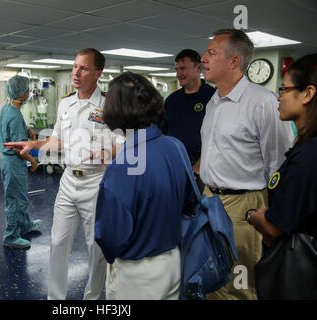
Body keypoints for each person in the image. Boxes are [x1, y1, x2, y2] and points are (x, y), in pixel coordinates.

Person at [4, 48, 124, 300]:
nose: (76, 73)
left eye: (84, 68)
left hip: (96, 181)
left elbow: (122, 144)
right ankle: (55, 298)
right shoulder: (66, 103)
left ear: (98, 73)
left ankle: (91, 298)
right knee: (57, 242)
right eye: (74, 67)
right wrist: (34, 146)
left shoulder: (110, 105)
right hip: (69, 181)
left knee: (95, 247)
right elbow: (58, 140)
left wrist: (104, 150)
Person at [199, 29, 294, 300]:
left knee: (239, 286)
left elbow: (279, 166)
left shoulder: (263, 104)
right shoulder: (213, 101)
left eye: (212, 53)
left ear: (234, 61)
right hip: (209, 200)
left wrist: (273, 219)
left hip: (244, 205)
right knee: (213, 277)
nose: (203, 58)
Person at [94, 71, 193, 300]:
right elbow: (188, 204)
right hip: (174, 261)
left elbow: (110, 231)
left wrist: (109, 250)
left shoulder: (125, 163)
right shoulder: (175, 146)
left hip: (138, 274)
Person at [247, 53, 317, 248]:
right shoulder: (305, 146)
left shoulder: (308, 156)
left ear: (307, 93)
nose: (279, 97)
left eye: (284, 89)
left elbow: (276, 227)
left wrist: (254, 216)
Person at [0, 74, 42, 249]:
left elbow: (9, 131)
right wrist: (33, 160)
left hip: (8, 161)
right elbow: (17, 147)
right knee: (15, 200)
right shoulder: (15, 115)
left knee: (20, 196)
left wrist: (27, 129)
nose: (29, 92)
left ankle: (24, 225)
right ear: (21, 93)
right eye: (27, 90)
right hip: (14, 161)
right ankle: (11, 236)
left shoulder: (7, 108)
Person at [161, 49, 215, 192]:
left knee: (201, 209)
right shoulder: (172, 100)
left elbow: (219, 138)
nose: (178, 74)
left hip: (202, 167)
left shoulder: (213, 98)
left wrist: (199, 166)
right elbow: (163, 132)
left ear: (198, 68)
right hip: (174, 163)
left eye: (183, 68)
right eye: (177, 69)